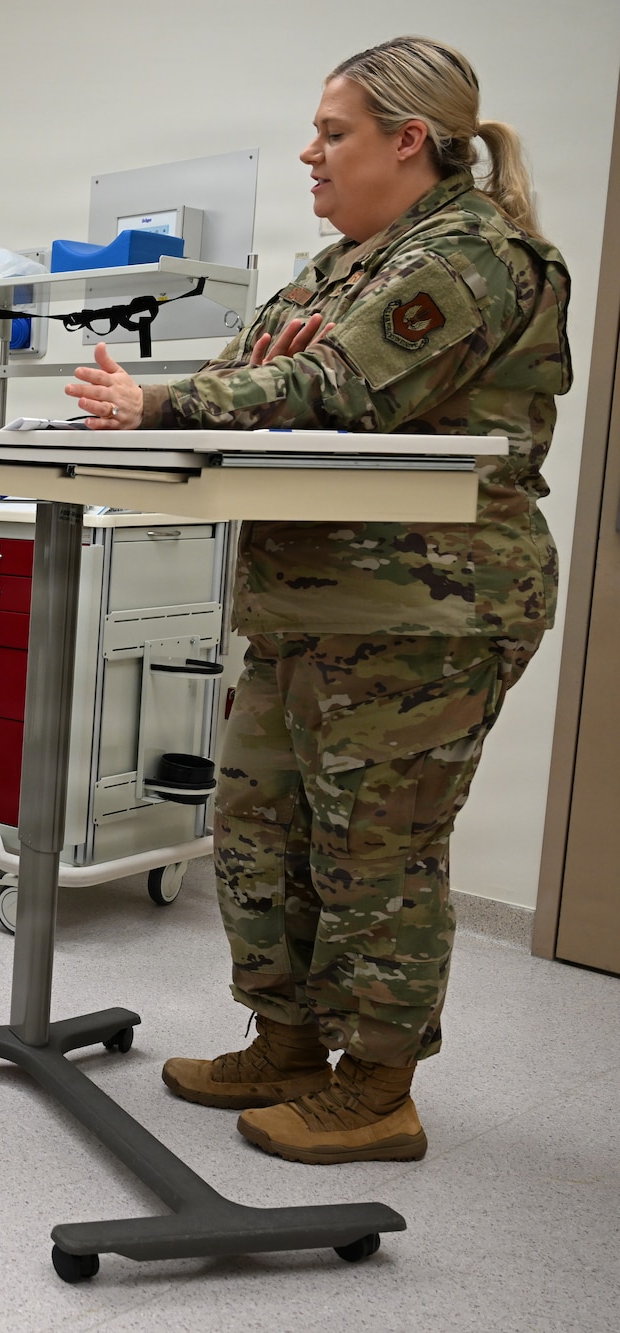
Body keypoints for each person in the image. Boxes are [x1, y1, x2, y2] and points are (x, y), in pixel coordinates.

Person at [63, 36, 571, 1165]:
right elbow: (263, 357)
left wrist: (166, 403)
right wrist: (206, 390)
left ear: (408, 141)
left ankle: (378, 1087)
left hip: (424, 608)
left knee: (372, 846)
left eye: (332, 133)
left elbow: (331, 385)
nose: (309, 152)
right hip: (306, 599)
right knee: (261, 826)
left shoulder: (472, 256)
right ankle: (286, 1041)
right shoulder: (345, 260)